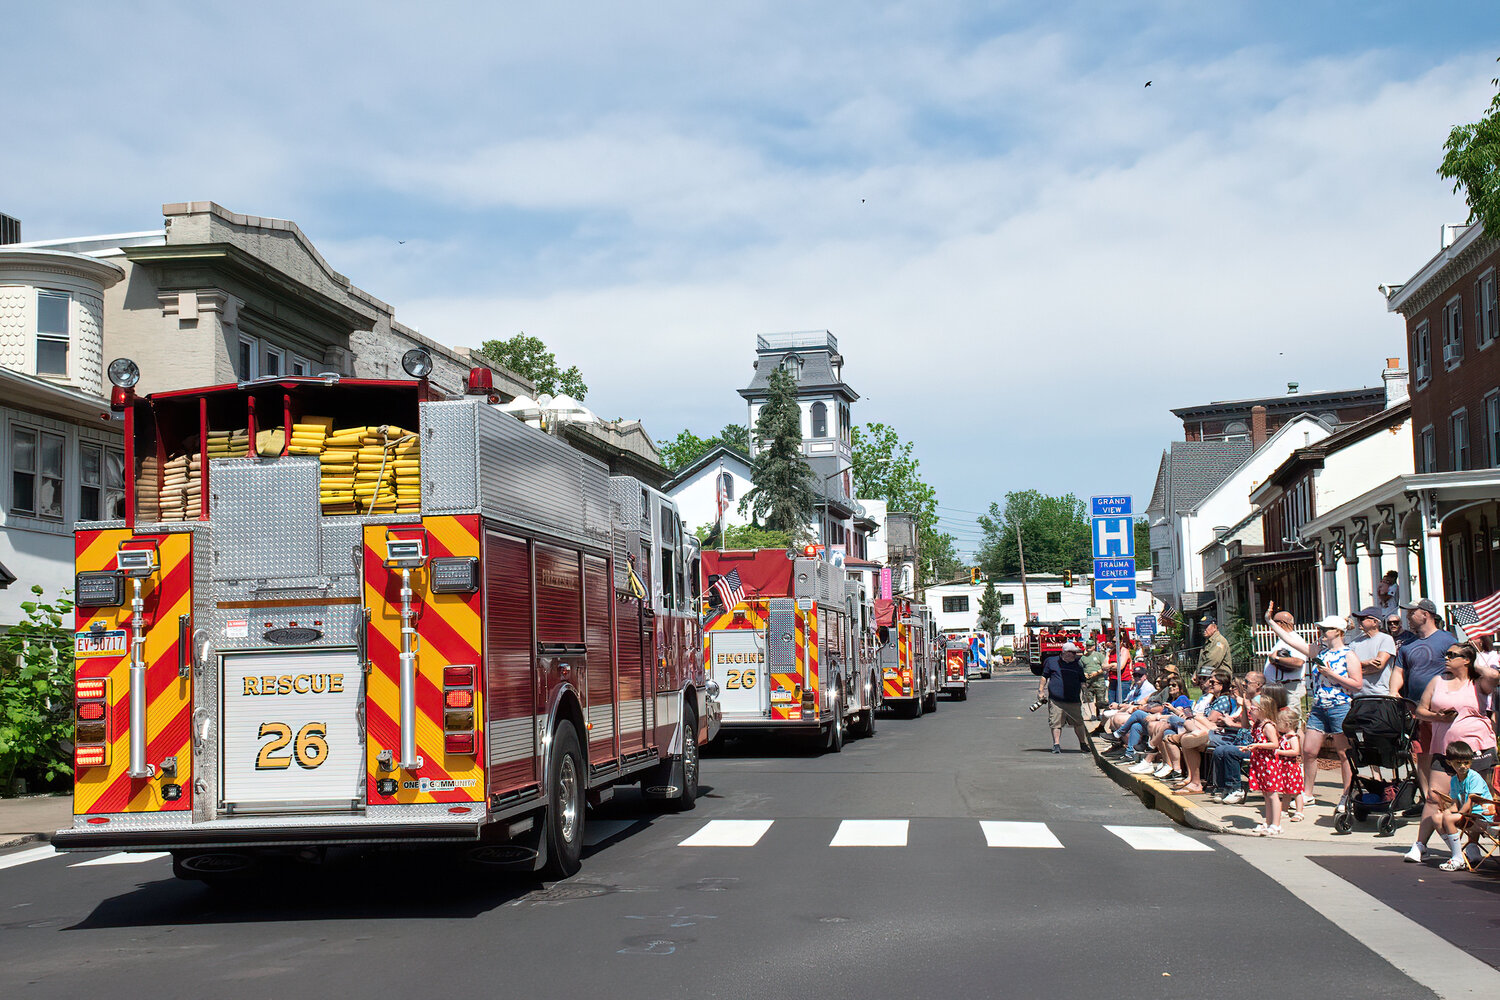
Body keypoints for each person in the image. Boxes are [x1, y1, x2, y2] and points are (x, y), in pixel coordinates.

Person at [1405, 641, 1500, 863]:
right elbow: (1420, 710)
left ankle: (1473, 846)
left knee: (1474, 799)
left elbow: (1495, 678)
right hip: (1444, 749)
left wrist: (1476, 663)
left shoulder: (1477, 683)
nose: (1446, 657)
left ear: (1466, 659)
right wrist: (1439, 717)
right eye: (1445, 654)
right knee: (1433, 796)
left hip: (1477, 748)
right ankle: (1420, 845)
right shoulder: (1438, 681)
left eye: (1452, 654)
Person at [1265, 603, 1363, 815]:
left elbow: (1357, 684)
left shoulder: (1348, 655)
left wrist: (1332, 675)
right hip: (1319, 707)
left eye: (1326, 629)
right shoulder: (1320, 651)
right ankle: (1307, 793)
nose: (1322, 632)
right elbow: (1292, 640)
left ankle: (1346, 795)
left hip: (1340, 706)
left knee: (1343, 753)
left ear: (1338, 632)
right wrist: (1270, 622)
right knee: (1309, 751)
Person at [1389, 598, 1461, 818]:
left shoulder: (1447, 640)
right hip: (1416, 709)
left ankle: (1450, 799)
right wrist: (1393, 693)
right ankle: (1428, 799)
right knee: (1422, 754)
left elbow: (1458, 668)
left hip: (1443, 709)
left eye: (1412, 612)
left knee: (1447, 753)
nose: (1408, 616)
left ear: (1426, 614)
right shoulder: (1407, 645)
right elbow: (1399, 672)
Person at [1430, 740, 1495, 871]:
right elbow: (1455, 804)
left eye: (1466, 762)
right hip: (1469, 817)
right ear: (1449, 763)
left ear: (1471, 761)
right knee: (1436, 818)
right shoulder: (1454, 780)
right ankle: (1459, 855)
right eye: (1458, 763)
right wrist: (1447, 811)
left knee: (1448, 819)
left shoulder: (1474, 777)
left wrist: (1453, 815)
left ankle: (1458, 859)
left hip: (1482, 817)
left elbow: (1470, 802)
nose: (1463, 766)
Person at [1244, 702, 1303, 836]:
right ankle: (1268, 822)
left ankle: (1276, 825)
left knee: (1272, 793)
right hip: (1261, 763)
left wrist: (1257, 745)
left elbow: (1275, 744)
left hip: (1268, 763)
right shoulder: (1258, 725)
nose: (1250, 711)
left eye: (1253, 708)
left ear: (1263, 710)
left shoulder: (1268, 726)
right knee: (1266, 793)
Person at [1039, 641, 1091, 754]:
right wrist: (1041, 691)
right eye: (1073, 653)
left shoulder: (1077, 664)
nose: (1075, 655)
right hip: (1056, 700)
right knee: (1055, 722)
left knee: (1078, 723)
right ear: (1066, 653)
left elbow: (1082, 680)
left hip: (1073, 700)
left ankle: (1083, 743)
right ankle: (1056, 744)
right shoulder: (1051, 662)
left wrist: (1085, 691)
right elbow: (1044, 677)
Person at [1349, 607, 1398, 696]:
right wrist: (1366, 662)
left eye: (1362, 619)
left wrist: (1355, 672)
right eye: (1358, 619)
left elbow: (1378, 665)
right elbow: (1346, 666)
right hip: (1357, 696)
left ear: (1375, 622)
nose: (1359, 621)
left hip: (1379, 695)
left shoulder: (1385, 639)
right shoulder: (1354, 643)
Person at [1264, 609, 1307, 702]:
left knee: (1289, 716)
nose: (1271, 627)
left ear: (1281, 623)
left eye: (1274, 623)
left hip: (1288, 688)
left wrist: (1276, 659)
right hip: (1280, 688)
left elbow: (1299, 662)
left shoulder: (1293, 639)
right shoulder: (1284, 639)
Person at [1196, 617, 1232, 682]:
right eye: (1202, 627)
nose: (1203, 629)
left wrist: (1198, 675)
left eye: (1206, 626)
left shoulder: (1219, 641)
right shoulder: (1209, 642)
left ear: (1214, 627)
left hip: (1220, 681)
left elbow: (1212, 661)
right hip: (1211, 680)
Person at [1080, 640, 1108, 724]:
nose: (1089, 647)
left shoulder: (1099, 655)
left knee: (1100, 698)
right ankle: (1093, 714)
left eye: (1090, 646)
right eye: (1087, 646)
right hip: (1088, 681)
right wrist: (1084, 674)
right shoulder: (1083, 658)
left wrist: (1097, 672)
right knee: (1089, 698)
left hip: (1099, 680)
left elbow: (1105, 667)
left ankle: (1101, 714)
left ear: (1093, 646)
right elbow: (1080, 668)